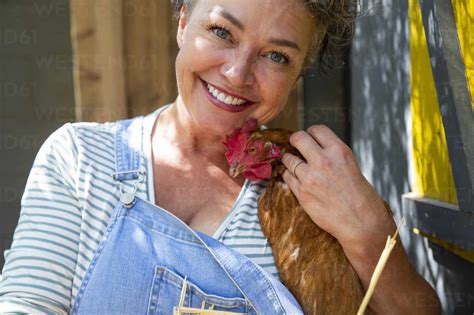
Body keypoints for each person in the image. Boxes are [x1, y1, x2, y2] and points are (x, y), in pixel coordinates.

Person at [0, 0, 441, 313]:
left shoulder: (309, 193)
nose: (237, 73)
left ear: (299, 72)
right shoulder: (79, 158)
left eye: (276, 56)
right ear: (182, 22)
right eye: (221, 32)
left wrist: (370, 237)